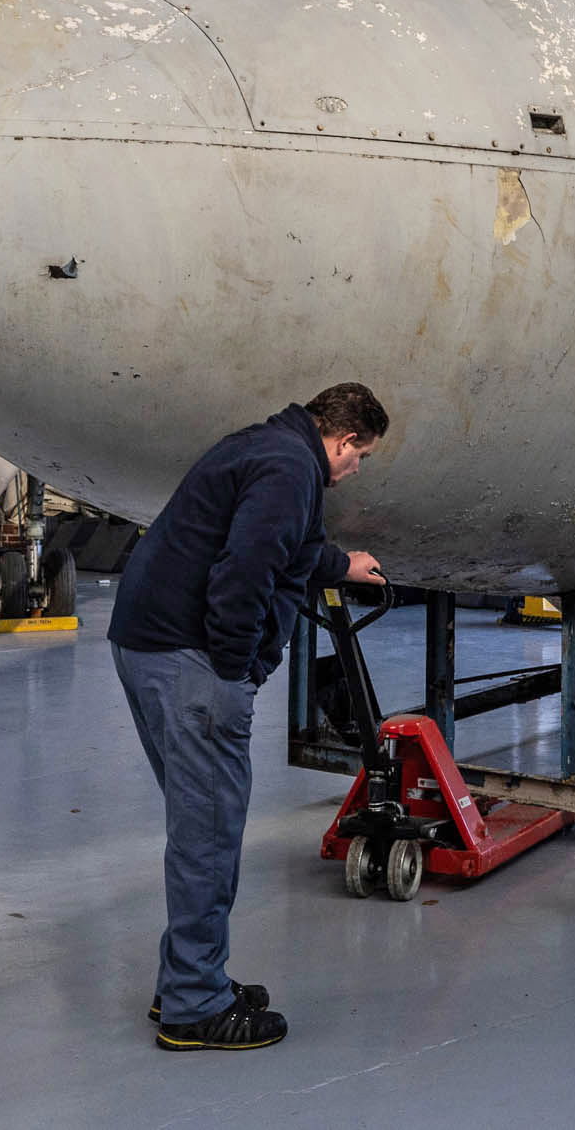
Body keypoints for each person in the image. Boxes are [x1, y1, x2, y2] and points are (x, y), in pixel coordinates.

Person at [109, 382, 390, 1053]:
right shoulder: (294, 471)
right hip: (192, 662)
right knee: (208, 834)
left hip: (148, 645)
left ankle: (186, 977)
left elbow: (275, 542)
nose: (357, 471)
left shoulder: (266, 447)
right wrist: (236, 672)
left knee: (198, 824)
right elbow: (242, 575)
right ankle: (194, 1007)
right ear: (345, 440)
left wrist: (339, 563)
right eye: (364, 456)